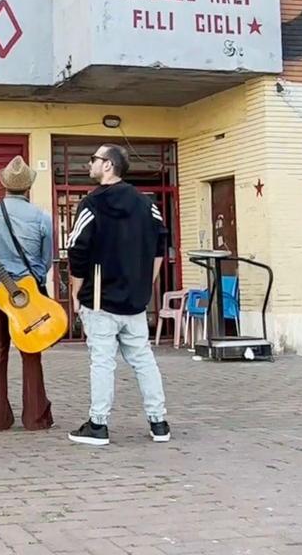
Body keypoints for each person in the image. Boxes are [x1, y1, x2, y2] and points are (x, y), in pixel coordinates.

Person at [66, 143, 171, 446]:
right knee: (143, 359)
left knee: (102, 361)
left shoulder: (91, 204)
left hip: (99, 299)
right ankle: (159, 422)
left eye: (94, 159)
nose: (90, 164)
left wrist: (76, 292)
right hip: (134, 302)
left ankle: (98, 424)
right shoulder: (146, 203)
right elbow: (160, 244)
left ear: (108, 165)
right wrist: (145, 283)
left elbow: (77, 250)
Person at [0, 155, 54, 431]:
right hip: (28, 293)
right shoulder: (42, 217)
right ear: (28, 187)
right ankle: (35, 417)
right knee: (31, 351)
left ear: (4, 184)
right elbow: (46, 261)